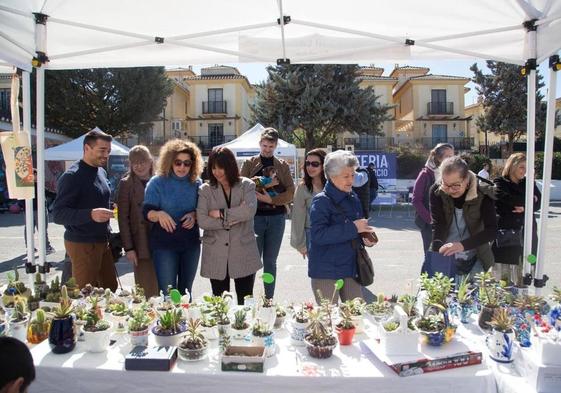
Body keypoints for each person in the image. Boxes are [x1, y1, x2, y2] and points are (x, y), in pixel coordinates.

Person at [52, 129, 117, 290]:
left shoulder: (101, 171)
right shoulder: (71, 176)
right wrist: (90, 214)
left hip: (103, 241)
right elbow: (58, 214)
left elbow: (93, 199)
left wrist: (111, 208)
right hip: (82, 243)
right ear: (87, 148)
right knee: (84, 294)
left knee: (110, 289)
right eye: (102, 150)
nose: (106, 155)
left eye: (108, 151)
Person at [309, 150, 376, 304]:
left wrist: (364, 238)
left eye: (353, 175)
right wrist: (354, 228)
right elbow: (318, 235)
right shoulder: (321, 201)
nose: (351, 180)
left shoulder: (353, 197)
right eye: (346, 176)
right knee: (328, 319)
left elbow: (356, 228)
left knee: (356, 317)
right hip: (326, 271)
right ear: (332, 176)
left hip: (351, 268)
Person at [197, 147, 262, 305]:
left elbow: (248, 211)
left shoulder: (247, 185)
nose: (217, 172)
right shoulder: (205, 190)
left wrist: (220, 213)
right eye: (213, 167)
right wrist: (234, 216)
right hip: (216, 253)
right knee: (220, 303)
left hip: (243, 250)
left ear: (231, 166)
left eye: (221, 167)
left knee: (245, 302)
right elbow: (203, 221)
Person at [240, 128, 295, 299]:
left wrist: (271, 200)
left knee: (270, 262)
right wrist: (267, 184)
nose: (267, 149)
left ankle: (268, 299)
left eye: (271, 146)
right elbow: (241, 188)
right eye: (264, 145)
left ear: (276, 145)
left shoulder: (282, 165)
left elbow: (291, 191)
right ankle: (247, 299)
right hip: (254, 218)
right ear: (259, 144)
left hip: (277, 219)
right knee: (251, 261)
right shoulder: (249, 163)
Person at [143, 139, 202, 297]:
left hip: (190, 245)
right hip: (164, 246)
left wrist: (195, 214)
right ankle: (171, 322)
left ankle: (184, 322)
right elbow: (147, 212)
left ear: (193, 164)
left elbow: (203, 210)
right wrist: (159, 214)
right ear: (169, 161)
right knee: (169, 294)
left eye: (187, 163)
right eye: (178, 162)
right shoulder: (157, 182)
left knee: (185, 293)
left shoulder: (197, 184)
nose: (182, 167)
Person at [430, 156, 497, 281]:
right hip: (446, 255)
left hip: (477, 255)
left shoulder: (483, 194)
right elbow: (438, 225)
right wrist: (436, 254)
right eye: (446, 184)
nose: (450, 190)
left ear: (466, 179)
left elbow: (492, 231)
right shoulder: (436, 191)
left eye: (456, 185)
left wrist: (462, 245)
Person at [116, 145, 159, 298]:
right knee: (145, 287)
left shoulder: (160, 180)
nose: (139, 166)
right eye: (135, 162)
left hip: (162, 241)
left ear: (150, 161)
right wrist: (128, 248)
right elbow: (123, 218)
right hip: (140, 243)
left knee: (165, 285)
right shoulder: (126, 183)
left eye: (142, 162)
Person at [492, 153, 541, 284]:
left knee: (527, 270)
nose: (524, 171)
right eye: (521, 167)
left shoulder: (529, 182)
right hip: (507, 237)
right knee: (504, 279)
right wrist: (529, 201)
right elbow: (504, 199)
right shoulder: (500, 182)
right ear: (512, 166)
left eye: (526, 167)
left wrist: (524, 207)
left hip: (528, 233)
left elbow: (539, 201)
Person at [412, 143, 455, 264]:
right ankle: (428, 282)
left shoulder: (451, 174)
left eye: (452, 156)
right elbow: (416, 200)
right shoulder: (425, 174)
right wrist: (430, 219)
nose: (451, 159)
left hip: (448, 222)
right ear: (438, 158)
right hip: (430, 225)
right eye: (447, 156)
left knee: (447, 255)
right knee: (431, 256)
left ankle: (444, 281)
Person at [290, 149, 327, 258]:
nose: (310, 167)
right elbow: (297, 217)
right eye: (307, 163)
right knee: (319, 274)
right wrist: (300, 244)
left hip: (333, 234)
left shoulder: (333, 185)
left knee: (336, 273)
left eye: (315, 164)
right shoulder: (302, 188)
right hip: (312, 235)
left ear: (324, 165)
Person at [24, 168, 56, 254]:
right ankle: (46, 247)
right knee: (42, 228)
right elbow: (49, 193)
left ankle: (30, 248)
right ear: (34, 175)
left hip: (29, 210)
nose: (39, 176)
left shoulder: (26, 185)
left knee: (29, 229)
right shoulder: (38, 185)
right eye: (37, 174)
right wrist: (58, 194)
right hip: (39, 210)